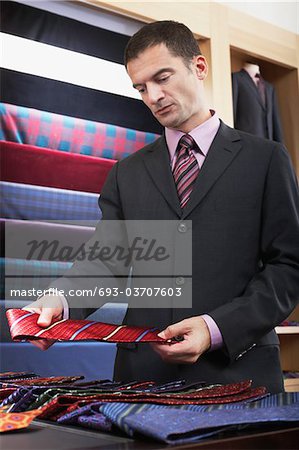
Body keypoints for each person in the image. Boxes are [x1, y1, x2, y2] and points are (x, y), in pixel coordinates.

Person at [23, 21, 299, 393]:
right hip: (143, 377)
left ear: (199, 68)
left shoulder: (265, 159)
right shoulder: (126, 173)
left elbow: (289, 267)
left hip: (240, 371)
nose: (153, 96)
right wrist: (61, 300)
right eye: (141, 88)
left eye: (162, 78)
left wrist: (215, 329)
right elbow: (106, 264)